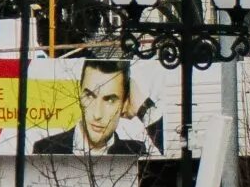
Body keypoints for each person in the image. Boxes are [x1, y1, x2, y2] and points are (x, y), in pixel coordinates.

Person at [29, 60, 157, 156]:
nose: (97, 114)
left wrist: (144, 108)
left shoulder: (135, 151)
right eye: (89, 96)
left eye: (110, 100)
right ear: (79, 95)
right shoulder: (46, 149)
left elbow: (174, 155)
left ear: (124, 104)